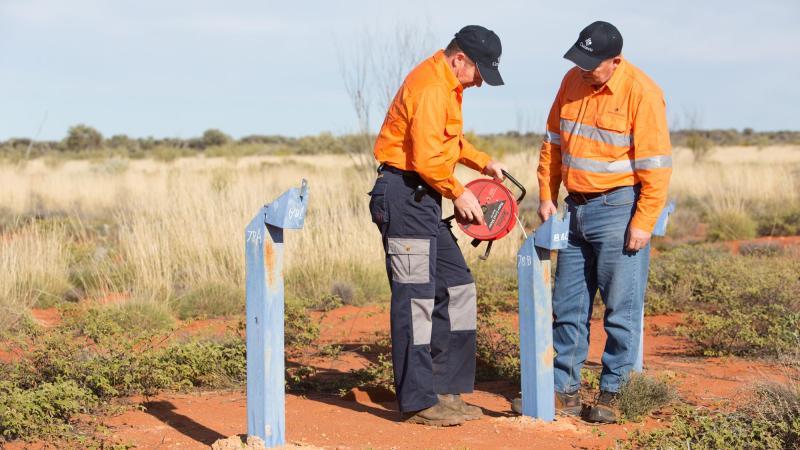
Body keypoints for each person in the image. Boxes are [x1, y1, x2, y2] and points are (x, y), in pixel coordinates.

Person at [512, 21, 672, 423]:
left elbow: (656, 167)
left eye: (592, 63)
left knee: (620, 308)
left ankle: (614, 392)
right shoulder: (571, 81)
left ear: (615, 60)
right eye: (579, 60)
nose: (584, 69)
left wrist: (643, 221)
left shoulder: (642, 92)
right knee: (568, 306)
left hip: (620, 209)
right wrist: (547, 197)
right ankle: (562, 389)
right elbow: (551, 145)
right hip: (574, 210)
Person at [368, 25, 508, 427]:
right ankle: (417, 402)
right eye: (479, 72)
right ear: (458, 58)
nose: (480, 82)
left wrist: (484, 162)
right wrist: (459, 192)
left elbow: (449, 143)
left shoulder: (450, 86)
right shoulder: (430, 86)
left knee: (458, 286)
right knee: (415, 299)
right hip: (404, 194)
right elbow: (430, 160)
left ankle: (446, 390)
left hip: (425, 198)